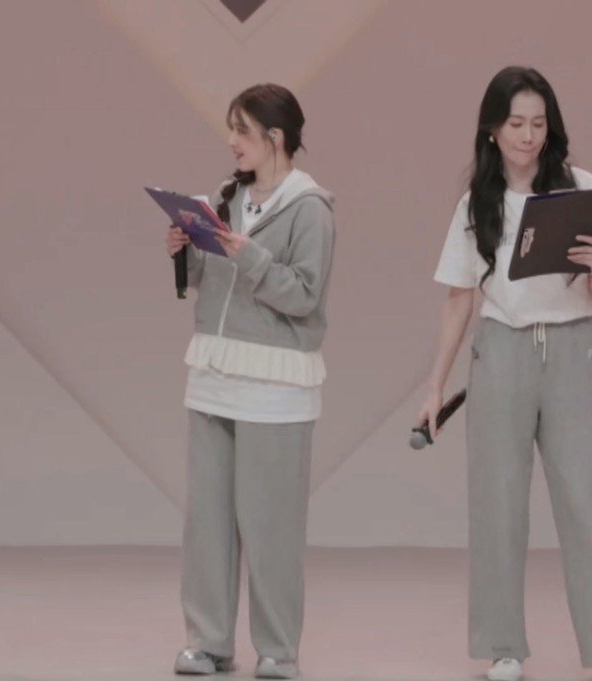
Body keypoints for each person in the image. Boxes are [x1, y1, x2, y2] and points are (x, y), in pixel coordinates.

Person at [418, 65, 592, 681]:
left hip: (573, 350)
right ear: (492, 129)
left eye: (539, 123)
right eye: (516, 123)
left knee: (584, 504)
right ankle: (503, 647)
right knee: (498, 504)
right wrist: (434, 386)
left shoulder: (581, 188)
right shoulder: (476, 205)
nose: (528, 135)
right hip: (501, 352)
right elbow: (459, 298)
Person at [166, 83, 335, 679]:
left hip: (275, 385)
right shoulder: (226, 196)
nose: (232, 141)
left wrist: (249, 256)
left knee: (271, 528)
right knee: (207, 524)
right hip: (215, 375)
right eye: (232, 129)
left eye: (241, 130)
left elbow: (305, 295)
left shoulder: (310, 208)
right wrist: (186, 251)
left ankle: (278, 649)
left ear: (275, 137)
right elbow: (216, 282)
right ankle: (208, 641)